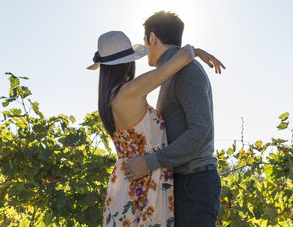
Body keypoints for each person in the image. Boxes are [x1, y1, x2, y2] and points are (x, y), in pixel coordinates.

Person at [87, 30, 223, 227]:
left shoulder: (110, 98)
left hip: (125, 186)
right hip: (144, 187)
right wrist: (196, 51)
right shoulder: (131, 91)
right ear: (128, 63)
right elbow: (181, 58)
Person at [125, 11, 226, 226]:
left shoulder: (186, 71)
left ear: (152, 38)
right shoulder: (172, 71)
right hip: (184, 182)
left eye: (145, 40)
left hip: (194, 183)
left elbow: (201, 131)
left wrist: (149, 162)